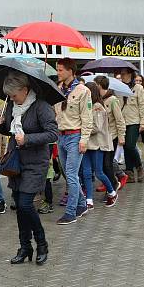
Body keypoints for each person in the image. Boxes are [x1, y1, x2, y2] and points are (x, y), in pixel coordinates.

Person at [0, 71, 57, 265]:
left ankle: (42, 243)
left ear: (24, 89)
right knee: (19, 206)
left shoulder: (41, 106)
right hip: (16, 162)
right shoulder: (13, 106)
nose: (11, 99)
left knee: (25, 204)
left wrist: (28, 138)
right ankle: (24, 247)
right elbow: (10, 130)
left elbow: (53, 134)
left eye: (14, 95)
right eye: (10, 96)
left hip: (36, 162)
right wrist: (0, 126)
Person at [54, 58, 93, 225]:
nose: (58, 73)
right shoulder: (57, 89)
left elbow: (87, 117)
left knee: (71, 174)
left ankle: (71, 213)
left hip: (75, 136)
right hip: (60, 136)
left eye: (61, 70)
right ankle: (82, 204)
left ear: (70, 71)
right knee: (68, 173)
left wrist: (84, 140)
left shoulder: (83, 90)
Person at [81, 82, 119, 208]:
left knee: (98, 172)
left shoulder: (97, 107)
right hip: (87, 144)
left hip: (97, 144)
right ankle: (89, 200)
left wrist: (82, 131)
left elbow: (96, 127)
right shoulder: (88, 105)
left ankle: (112, 192)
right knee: (86, 173)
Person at [94, 76, 127, 191]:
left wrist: (121, 136)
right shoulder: (97, 100)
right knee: (103, 164)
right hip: (101, 137)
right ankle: (110, 182)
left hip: (112, 136)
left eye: (95, 85)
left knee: (107, 164)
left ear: (99, 85)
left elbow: (119, 119)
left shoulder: (112, 100)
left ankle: (113, 185)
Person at [117, 68, 144, 183]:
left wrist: (143, 122)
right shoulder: (118, 88)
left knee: (130, 145)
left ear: (130, 74)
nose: (122, 75)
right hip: (122, 121)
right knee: (125, 147)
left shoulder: (138, 88)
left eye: (124, 74)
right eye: (121, 74)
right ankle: (129, 172)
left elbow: (143, 106)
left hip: (134, 121)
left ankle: (139, 167)